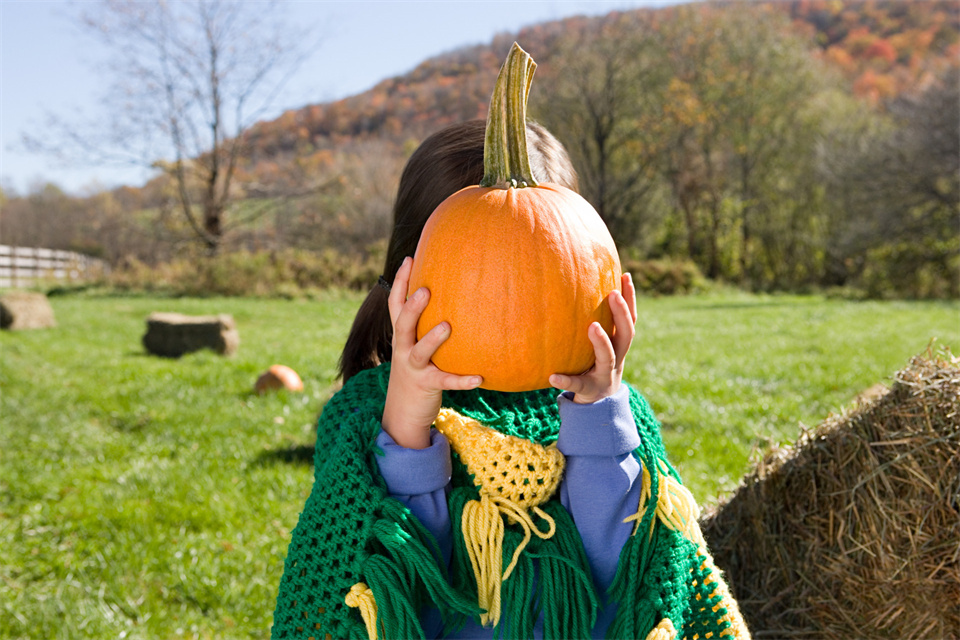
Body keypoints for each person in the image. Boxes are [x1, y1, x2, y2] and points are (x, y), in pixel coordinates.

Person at [272, 120, 749, 640]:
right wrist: (409, 424)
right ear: (412, 273)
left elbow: (625, 578)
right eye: (482, 273)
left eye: (540, 268)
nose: (510, 310)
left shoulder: (611, 409)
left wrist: (598, 416)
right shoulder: (370, 414)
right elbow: (394, 589)